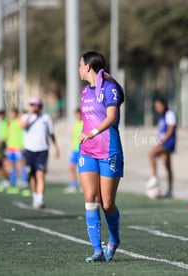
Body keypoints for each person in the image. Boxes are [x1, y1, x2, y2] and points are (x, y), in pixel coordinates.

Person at [78, 51, 124, 262]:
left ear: (88, 66)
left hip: (108, 150)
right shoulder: (84, 91)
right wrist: (85, 134)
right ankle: (97, 250)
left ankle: (114, 239)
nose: (78, 69)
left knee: (107, 203)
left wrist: (92, 133)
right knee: (90, 198)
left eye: (80, 65)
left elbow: (112, 117)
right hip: (87, 151)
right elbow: (89, 119)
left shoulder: (109, 88)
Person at [20, 97, 60, 208]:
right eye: (32, 105)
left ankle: (40, 199)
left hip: (42, 150)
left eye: (36, 105)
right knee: (32, 175)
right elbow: (22, 126)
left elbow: (51, 133)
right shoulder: (25, 117)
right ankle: (35, 197)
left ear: (40, 106)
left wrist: (56, 147)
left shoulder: (46, 118)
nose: (34, 107)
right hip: (29, 150)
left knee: (40, 174)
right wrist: (30, 115)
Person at [146, 97, 177, 199]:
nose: (157, 108)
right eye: (156, 107)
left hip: (168, 142)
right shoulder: (162, 116)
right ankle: (170, 191)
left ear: (164, 105)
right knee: (167, 166)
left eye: (159, 106)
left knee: (151, 154)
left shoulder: (169, 114)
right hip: (163, 141)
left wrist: (163, 140)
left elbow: (171, 129)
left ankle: (154, 177)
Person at [64, 107, 83, 194]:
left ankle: (84, 186)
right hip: (74, 150)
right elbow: (72, 135)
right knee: (71, 167)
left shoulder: (85, 123)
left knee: (82, 170)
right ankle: (73, 185)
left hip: (82, 150)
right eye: (76, 114)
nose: (77, 116)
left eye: (79, 114)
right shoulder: (75, 124)